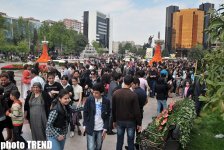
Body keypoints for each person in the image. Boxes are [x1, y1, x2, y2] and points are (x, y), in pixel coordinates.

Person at [112, 75, 141, 150]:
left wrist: (114, 120)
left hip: (119, 120)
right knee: (130, 141)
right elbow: (137, 111)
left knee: (119, 140)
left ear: (124, 81)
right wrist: (139, 123)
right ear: (131, 83)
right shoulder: (133, 95)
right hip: (131, 122)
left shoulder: (116, 93)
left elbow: (113, 109)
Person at [83, 83, 110, 150]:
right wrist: (85, 124)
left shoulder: (106, 101)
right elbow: (85, 112)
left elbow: (108, 115)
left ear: (102, 93)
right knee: (91, 147)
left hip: (101, 128)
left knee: (98, 146)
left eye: (96, 93)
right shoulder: (89, 100)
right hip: (90, 126)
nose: (94, 94)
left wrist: (105, 128)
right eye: (93, 92)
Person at [0, 73, 18, 141]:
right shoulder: (0, 85)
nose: (3, 82)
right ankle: (9, 135)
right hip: (3, 109)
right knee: (7, 124)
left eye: (4, 80)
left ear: (8, 79)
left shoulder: (13, 86)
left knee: (12, 123)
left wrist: (4, 96)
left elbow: (16, 97)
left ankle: (14, 138)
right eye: (1, 80)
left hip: (11, 107)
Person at [131, 77, 147, 149]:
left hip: (134, 113)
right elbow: (146, 101)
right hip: (141, 111)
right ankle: (138, 144)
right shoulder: (143, 91)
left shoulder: (134, 93)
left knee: (131, 130)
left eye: (132, 84)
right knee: (138, 129)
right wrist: (141, 106)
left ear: (136, 84)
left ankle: (131, 145)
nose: (131, 85)